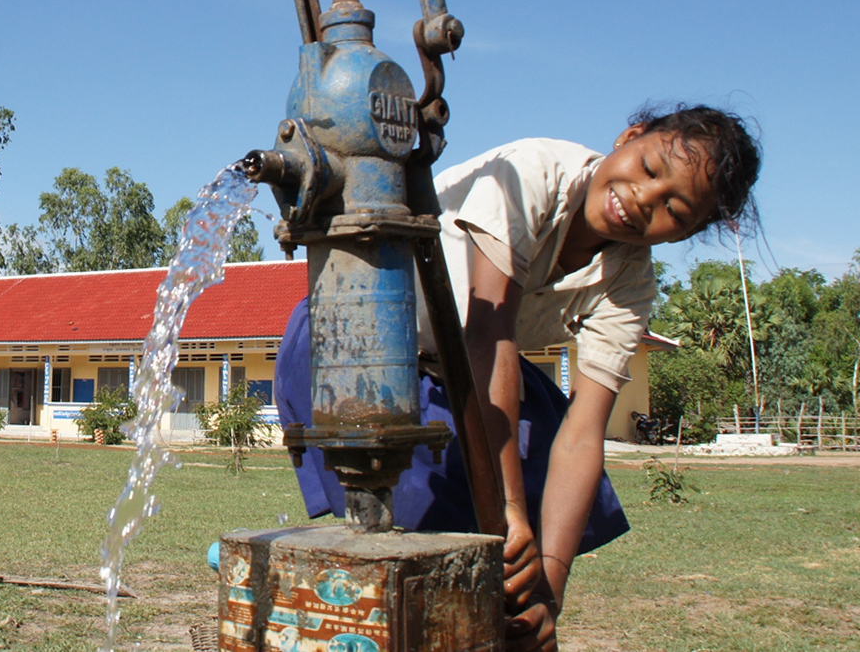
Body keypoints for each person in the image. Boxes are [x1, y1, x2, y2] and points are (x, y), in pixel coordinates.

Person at [275, 103, 762, 651]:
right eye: (650, 169)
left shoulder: (629, 281)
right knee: (431, 534)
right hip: (350, 345)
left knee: (557, 500)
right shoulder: (535, 172)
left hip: (459, 375)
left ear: (684, 234)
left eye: (675, 208)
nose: (645, 200)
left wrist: (545, 594)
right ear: (630, 136)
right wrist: (508, 512)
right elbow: (491, 331)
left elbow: (583, 433)